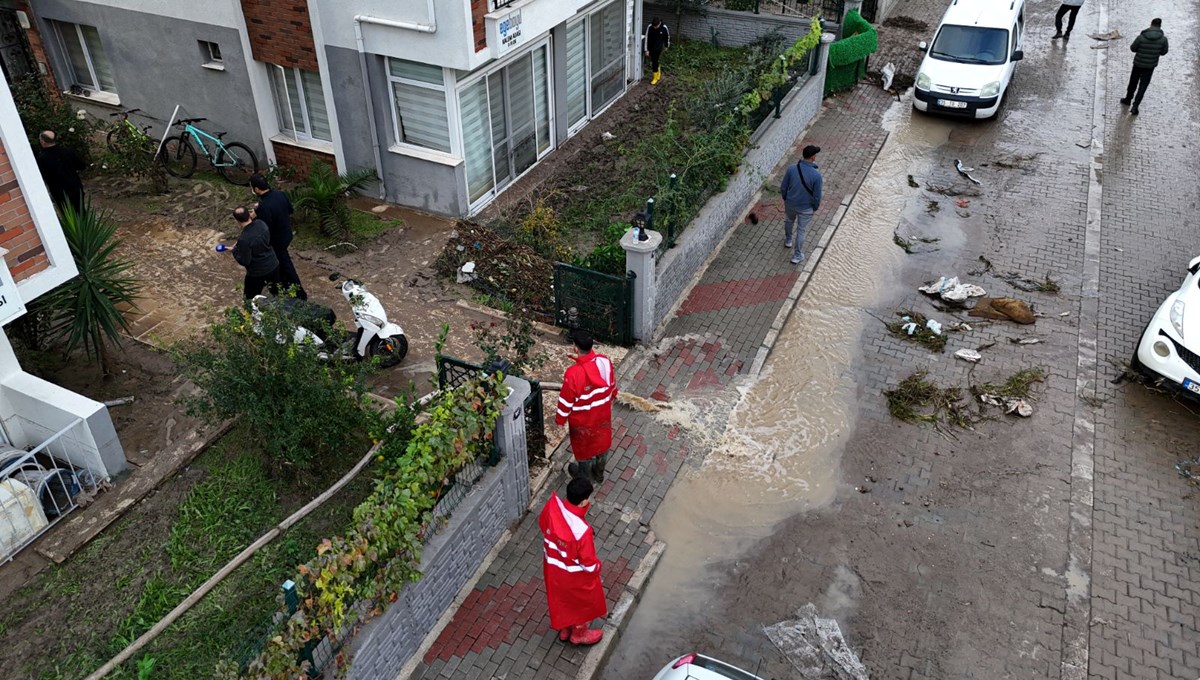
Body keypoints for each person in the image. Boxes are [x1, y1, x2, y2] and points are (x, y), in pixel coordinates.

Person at [539, 477, 606, 646]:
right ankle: (579, 634)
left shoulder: (552, 507)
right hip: (575, 577)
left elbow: (542, 525)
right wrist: (598, 567)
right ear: (583, 502)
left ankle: (565, 629)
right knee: (581, 603)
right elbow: (589, 564)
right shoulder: (581, 532)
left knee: (562, 601)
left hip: (553, 571)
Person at [556, 329, 617, 485]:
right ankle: (599, 474)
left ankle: (584, 479)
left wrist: (560, 420)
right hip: (602, 417)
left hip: (582, 423)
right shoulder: (604, 361)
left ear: (576, 348)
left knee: (585, 453)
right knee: (602, 445)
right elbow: (612, 388)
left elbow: (566, 402)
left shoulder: (573, 373)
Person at [250, 174, 307, 300]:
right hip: (286, 234)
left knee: (284, 265)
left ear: (257, 189)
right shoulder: (279, 194)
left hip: (276, 241)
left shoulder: (264, 206)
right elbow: (290, 210)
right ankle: (286, 285)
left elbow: (263, 227)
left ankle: (298, 292)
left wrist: (257, 214)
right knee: (282, 262)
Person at [778, 144, 823, 265]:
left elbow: (783, 187)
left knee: (788, 221)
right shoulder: (817, 176)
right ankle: (797, 255)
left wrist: (786, 198)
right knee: (801, 230)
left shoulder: (792, 168)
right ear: (813, 157)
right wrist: (815, 207)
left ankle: (788, 240)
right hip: (806, 208)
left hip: (790, 204)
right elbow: (817, 196)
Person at [1121, 18, 1168, 115]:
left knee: (1133, 82)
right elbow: (1164, 52)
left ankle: (1128, 99)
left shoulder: (1141, 37)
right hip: (1150, 66)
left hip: (1138, 64)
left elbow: (1133, 48)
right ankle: (1135, 106)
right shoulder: (1163, 39)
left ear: (1151, 24)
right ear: (1160, 26)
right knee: (1143, 85)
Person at [231, 206, 280, 299]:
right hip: (273, 264)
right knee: (276, 293)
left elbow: (245, 261)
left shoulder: (245, 239)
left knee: (250, 299)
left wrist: (234, 250)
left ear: (237, 221)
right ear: (249, 215)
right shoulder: (261, 224)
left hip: (258, 273)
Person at [35, 130, 85, 216]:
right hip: (75, 187)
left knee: (68, 215)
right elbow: (81, 166)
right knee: (81, 211)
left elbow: (41, 177)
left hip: (59, 192)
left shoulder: (41, 159)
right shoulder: (67, 152)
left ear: (42, 142)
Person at [643, 17, 670, 86]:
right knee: (655, 60)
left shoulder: (664, 28)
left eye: (656, 26)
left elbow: (667, 37)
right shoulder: (650, 27)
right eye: (654, 26)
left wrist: (666, 46)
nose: (655, 28)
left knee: (654, 61)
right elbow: (647, 38)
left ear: (659, 24)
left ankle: (655, 77)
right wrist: (646, 50)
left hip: (658, 48)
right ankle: (658, 72)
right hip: (651, 47)